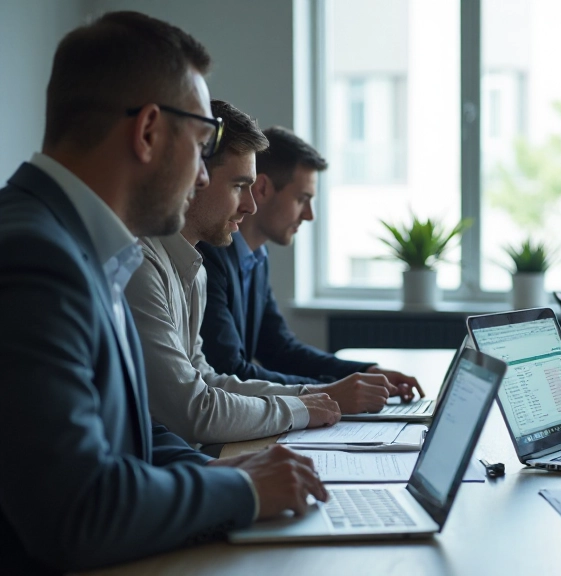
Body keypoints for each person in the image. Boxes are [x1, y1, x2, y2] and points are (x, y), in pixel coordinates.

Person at [0, 13, 327, 572]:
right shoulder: (35, 258)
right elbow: (77, 510)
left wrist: (222, 472)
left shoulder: (85, 245)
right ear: (148, 131)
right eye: (201, 144)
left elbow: (133, 431)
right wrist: (244, 492)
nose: (202, 176)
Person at [125, 100, 407, 446]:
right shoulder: (144, 264)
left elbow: (210, 377)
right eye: (238, 186)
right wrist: (305, 407)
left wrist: (316, 396)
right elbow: (195, 409)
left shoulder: (193, 267)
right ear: (194, 175)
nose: (251, 205)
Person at [197, 126, 422, 399]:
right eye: (302, 199)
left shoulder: (256, 258)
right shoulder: (208, 258)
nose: (309, 215)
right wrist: (331, 391)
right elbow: (229, 371)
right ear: (263, 188)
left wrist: (365, 372)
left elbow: (280, 349)